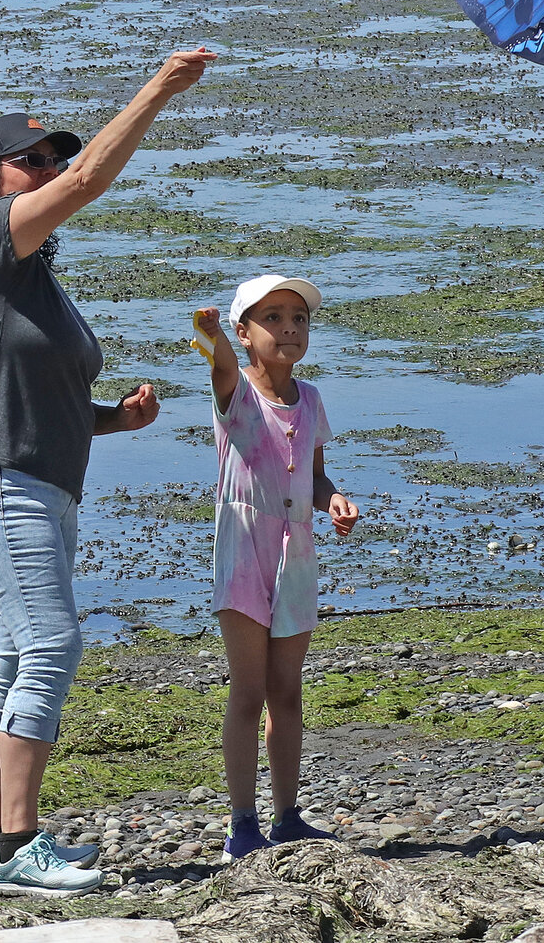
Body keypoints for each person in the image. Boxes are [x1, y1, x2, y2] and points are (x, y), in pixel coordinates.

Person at [0, 47, 216, 897]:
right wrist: (160, 89)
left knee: (16, 649)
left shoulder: (35, 280)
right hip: (0, 475)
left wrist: (115, 420)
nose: (52, 169)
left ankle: (0, 840)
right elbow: (96, 175)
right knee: (52, 645)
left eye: (53, 158)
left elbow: (35, 392)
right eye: (33, 160)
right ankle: (21, 846)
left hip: (39, 476)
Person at [193, 274, 360, 862]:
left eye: (299, 318)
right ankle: (242, 821)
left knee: (286, 692)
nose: (289, 328)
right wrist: (210, 336)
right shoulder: (237, 394)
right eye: (273, 318)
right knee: (249, 689)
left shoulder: (311, 400)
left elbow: (314, 475)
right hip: (244, 549)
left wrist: (333, 499)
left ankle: (289, 815)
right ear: (245, 333)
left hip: (297, 553)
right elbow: (220, 370)